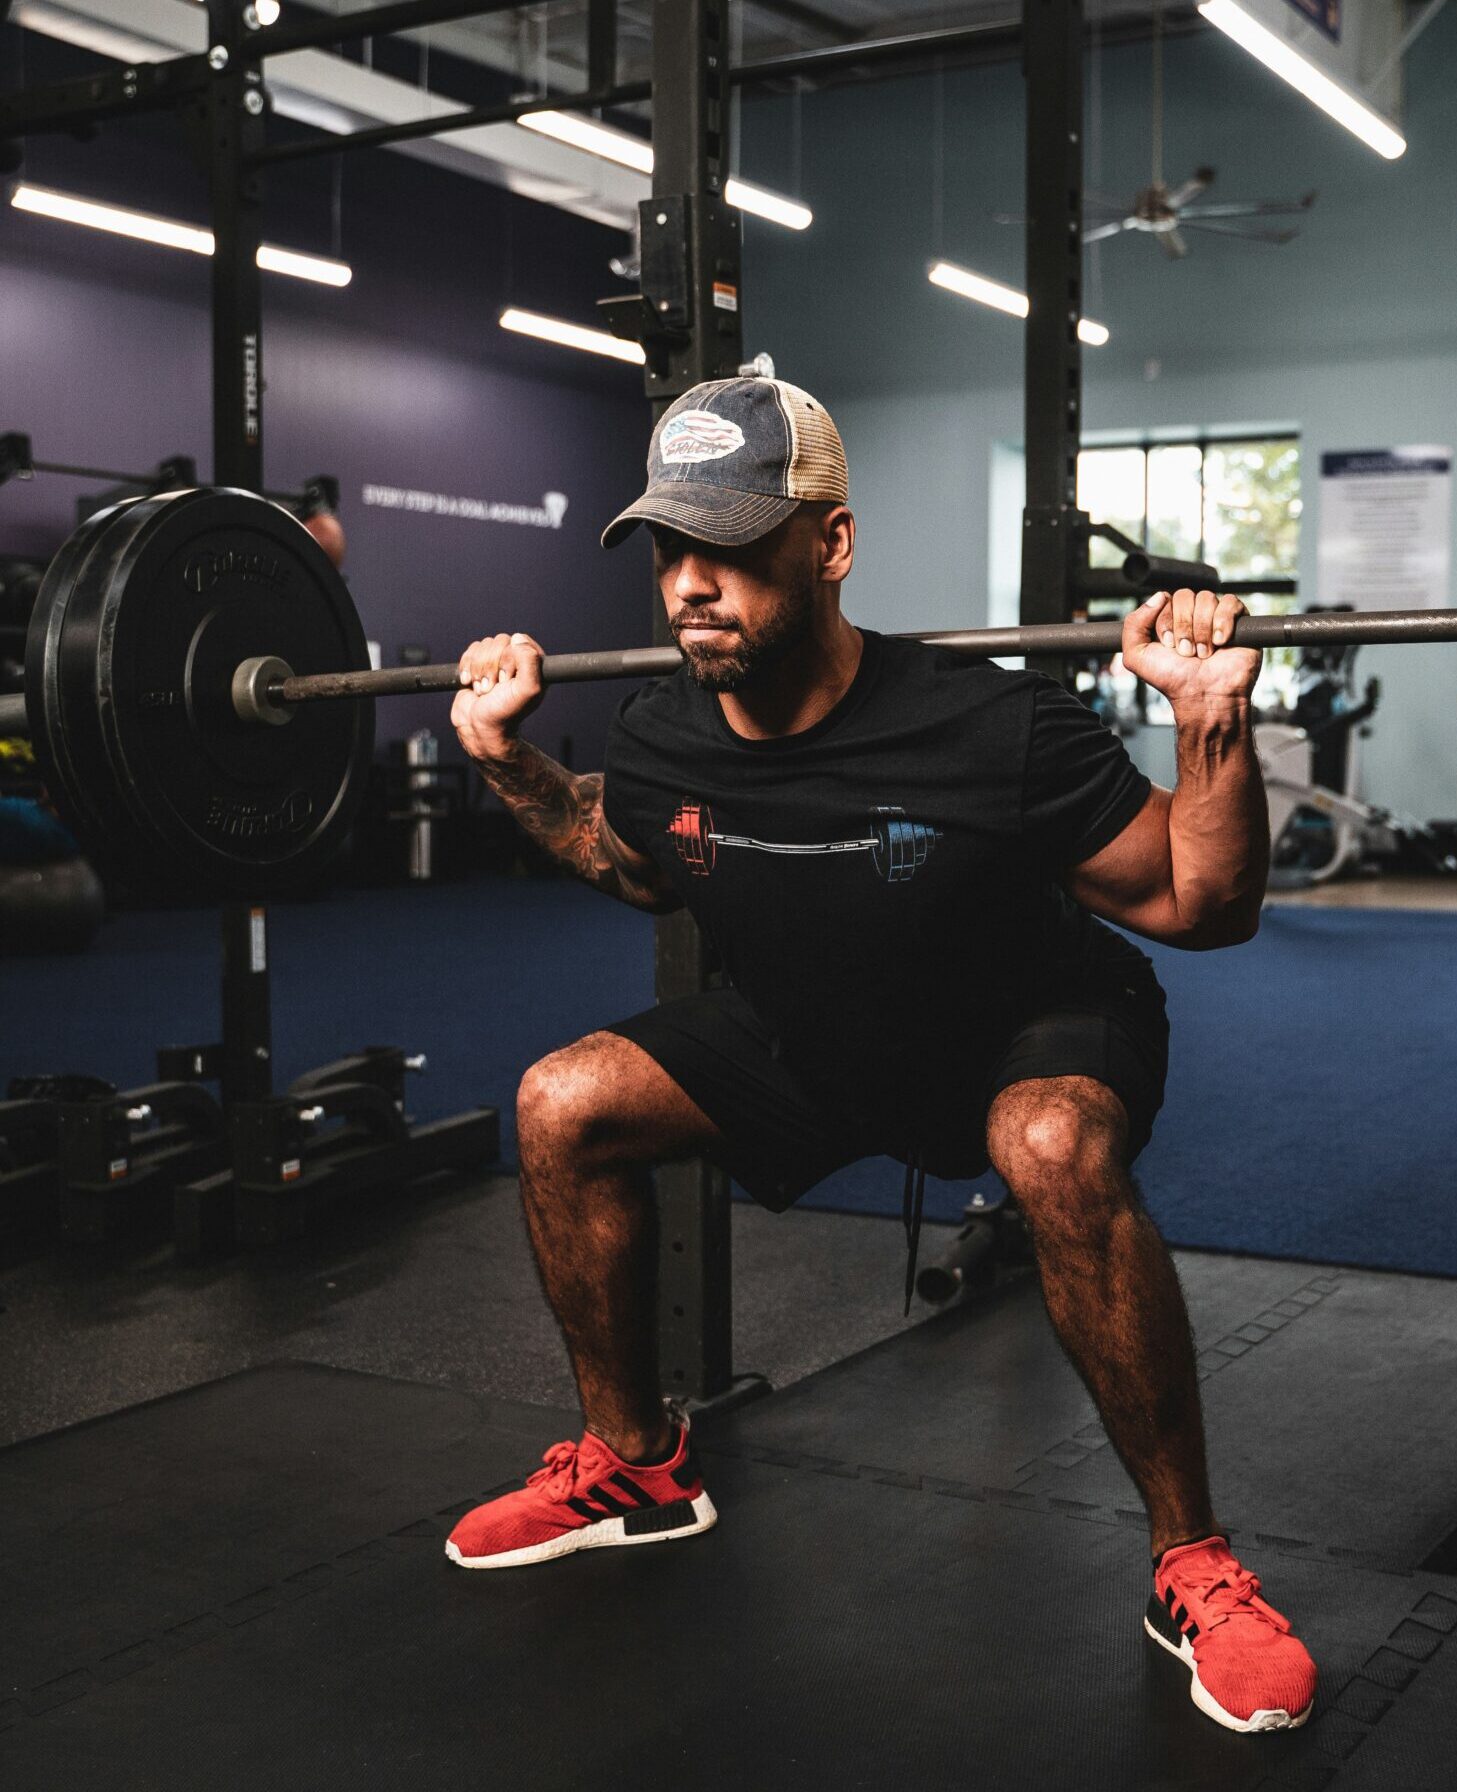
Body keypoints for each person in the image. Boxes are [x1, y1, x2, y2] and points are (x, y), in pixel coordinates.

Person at [445, 377, 1315, 1735]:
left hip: (1024, 1023)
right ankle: (637, 1465)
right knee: (563, 1102)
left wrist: (1208, 713)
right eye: (671, 548)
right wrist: (509, 763)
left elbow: (1198, 905)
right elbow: (635, 866)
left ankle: (1191, 1561)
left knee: (1050, 1146)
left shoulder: (994, 725)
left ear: (831, 545)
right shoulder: (661, 731)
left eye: (732, 546)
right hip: (818, 1030)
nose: (690, 586)